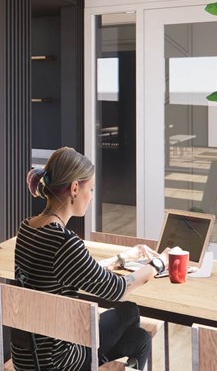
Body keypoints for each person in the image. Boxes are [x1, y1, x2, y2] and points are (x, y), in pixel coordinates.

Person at [13, 147, 168, 371]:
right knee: (130, 310)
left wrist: (122, 258)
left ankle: (99, 362)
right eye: (91, 189)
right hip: (58, 361)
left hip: (27, 357)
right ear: (75, 188)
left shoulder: (27, 227)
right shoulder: (64, 241)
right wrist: (159, 263)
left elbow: (73, 272)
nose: (92, 196)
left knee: (140, 338)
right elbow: (116, 289)